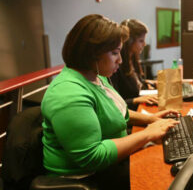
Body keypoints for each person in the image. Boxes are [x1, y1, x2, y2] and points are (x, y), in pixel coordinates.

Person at [41, 14, 178, 189]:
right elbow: (92, 157)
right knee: (162, 175)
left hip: (109, 162)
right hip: (85, 177)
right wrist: (147, 134)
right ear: (92, 54)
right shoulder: (69, 93)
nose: (120, 60)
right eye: (114, 53)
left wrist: (152, 119)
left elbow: (118, 112)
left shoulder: (95, 76)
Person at [110, 19, 157, 110]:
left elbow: (138, 83)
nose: (144, 44)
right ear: (129, 41)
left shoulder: (133, 59)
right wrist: (136, 100)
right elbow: (116, 104)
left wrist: (151, 83)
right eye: (141, 41)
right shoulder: (117, 66)